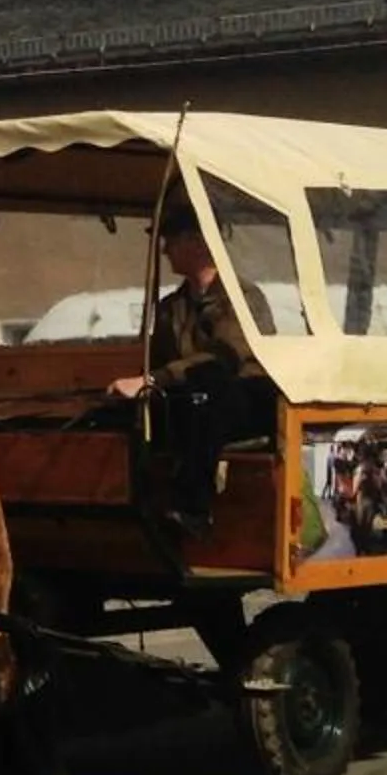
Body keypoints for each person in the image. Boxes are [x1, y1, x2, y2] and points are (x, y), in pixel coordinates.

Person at [110, 201, 273, 529]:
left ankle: (194, 508)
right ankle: (123, 503)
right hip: (188, 400)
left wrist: (154, 380)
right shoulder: (173, 307)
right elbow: (155, 361)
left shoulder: (242, 297)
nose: (166, 249)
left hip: (244, 400)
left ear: (198, 242)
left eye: (172, 238)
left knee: (209, 391)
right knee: (124, 412)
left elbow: (226, 356)